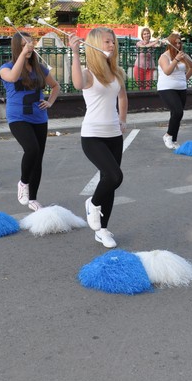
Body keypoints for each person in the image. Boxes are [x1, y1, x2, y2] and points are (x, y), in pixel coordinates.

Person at [69, 27, 128, 249]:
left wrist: (123, 120)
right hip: (93, 135)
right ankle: (92, 204)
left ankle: (102, 230)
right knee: (114, 176)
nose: (111, 45)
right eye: (106, 42)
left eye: (112, 42)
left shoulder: (116, 72)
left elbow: (122, 97)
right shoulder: (88, 73)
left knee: (109, 183)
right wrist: (75, 53)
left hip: (114, 135)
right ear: (94, 45)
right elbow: (77, 84)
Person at [0, 33, 60, 211]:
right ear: (16, 47)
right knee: (32, 149)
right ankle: (23, 183)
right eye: (24, 44)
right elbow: (12, 77)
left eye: (30, 43)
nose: (29, 46)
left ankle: (33, 199)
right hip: (18, 118)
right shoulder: (6, 67)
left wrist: (50, 102)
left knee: (38, 159)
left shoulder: (40, 68)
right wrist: (22, 55)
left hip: (39, 118)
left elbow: (55, 86)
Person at [157, 33, 192, 149]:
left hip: (181, 88)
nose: (178, 45)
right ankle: (168, 135)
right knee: (178, 111)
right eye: (175, 43)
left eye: (179, 43)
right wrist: (176, 60)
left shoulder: (182, 55)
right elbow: (167, 71)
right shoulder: (164, 57)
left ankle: (174, 139)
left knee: (176, 114)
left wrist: (184, 78)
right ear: (170, 44)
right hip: (166, 88)